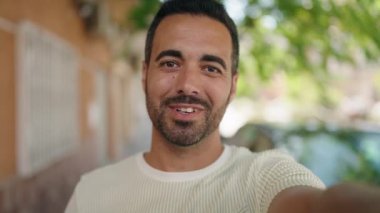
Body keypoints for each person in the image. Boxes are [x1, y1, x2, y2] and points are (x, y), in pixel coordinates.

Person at [65, 0, 380, 212]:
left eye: (211, 68)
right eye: (171, 62)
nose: (188, 84)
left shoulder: (265, 178)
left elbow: (322, 205)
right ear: (145, 73)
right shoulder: (90, 194)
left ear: (233, 85)